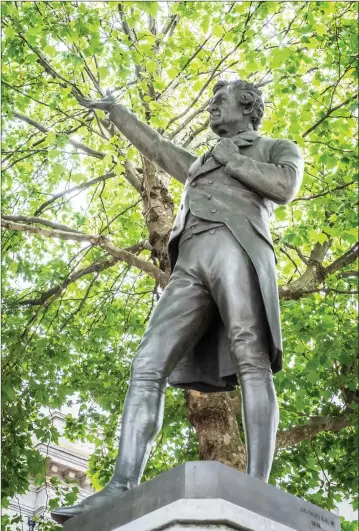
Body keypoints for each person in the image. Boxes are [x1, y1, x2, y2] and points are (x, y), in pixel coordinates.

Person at [52, 79, 304, 523]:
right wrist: (117, 112)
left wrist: (233, 158)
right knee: (147, 364)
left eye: (218, 101)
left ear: (247, 107)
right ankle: (120, 485)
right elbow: (160, 147)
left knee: (252, 358)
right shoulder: (200, 163)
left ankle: (257, 486)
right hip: (189, 265)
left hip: (238, 248)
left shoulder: (274, 147)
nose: (210, 107)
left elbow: (284, 187)